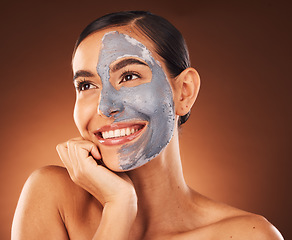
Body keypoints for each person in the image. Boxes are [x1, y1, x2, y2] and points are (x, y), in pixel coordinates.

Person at [12, 11, 283, 240]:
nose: (105, 106)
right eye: (86, 85)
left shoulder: (248, 234)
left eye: (129, 76)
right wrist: (119, 208)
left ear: (184, 92)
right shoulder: (52, 196)